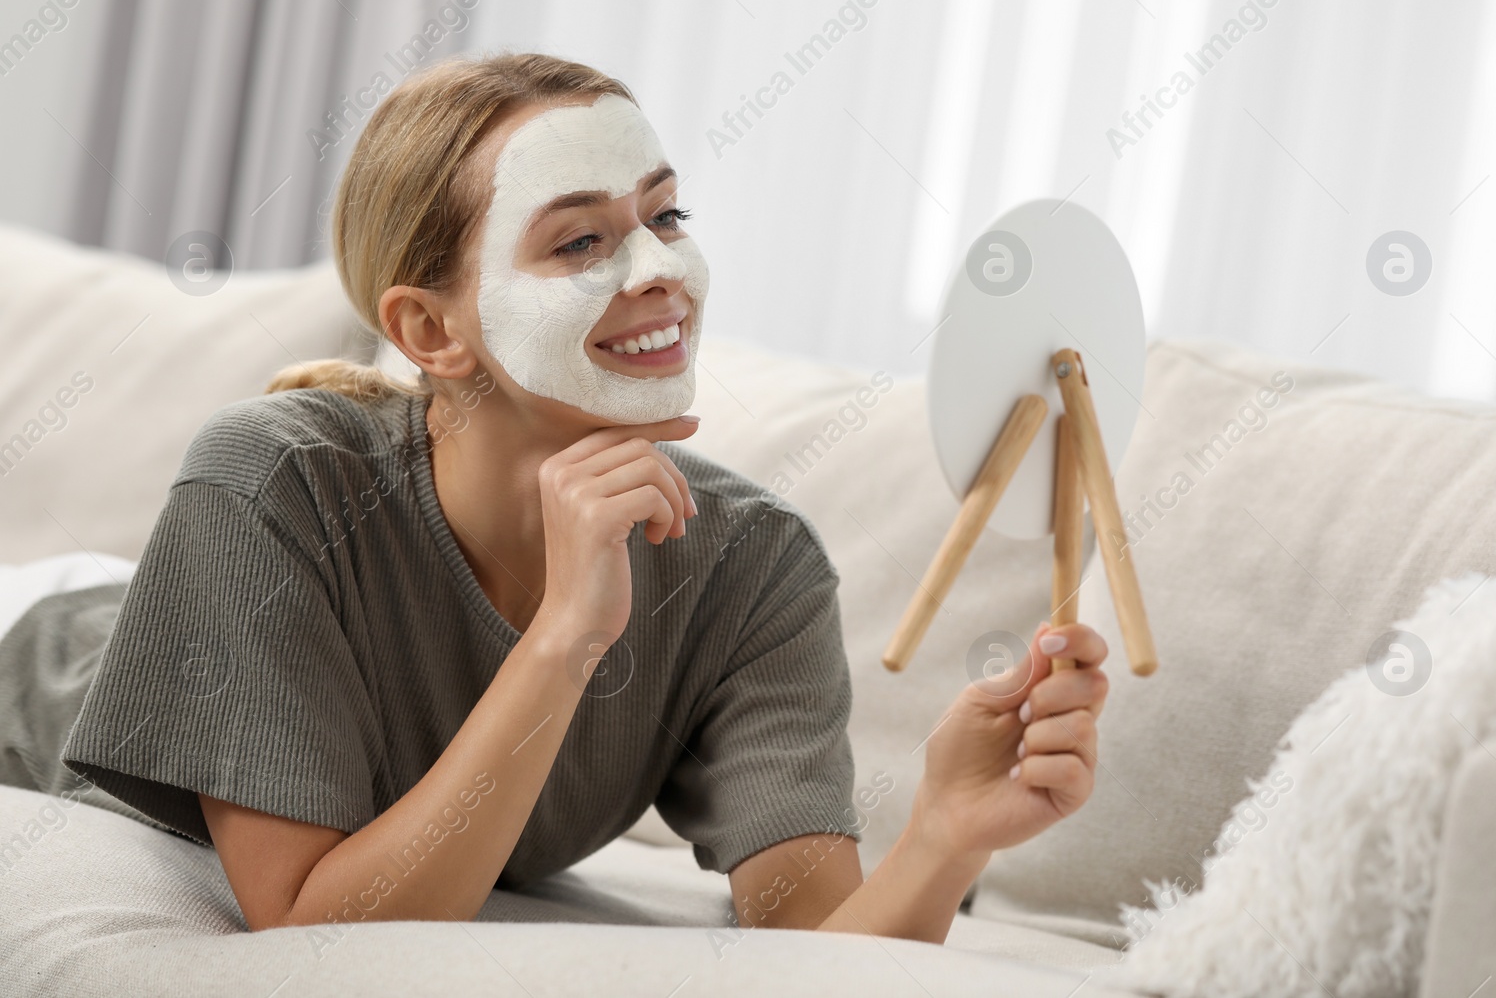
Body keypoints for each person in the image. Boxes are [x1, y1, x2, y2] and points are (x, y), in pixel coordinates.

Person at [2, 52, 1110, 943]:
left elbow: (812, 943)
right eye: (580, 239)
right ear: (429, 330)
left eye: (666, 218)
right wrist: (568, 631)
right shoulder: (274, 476)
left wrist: (946, 837)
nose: (656, 270)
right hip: (42, 638)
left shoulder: (754, 564)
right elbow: (310, 932)